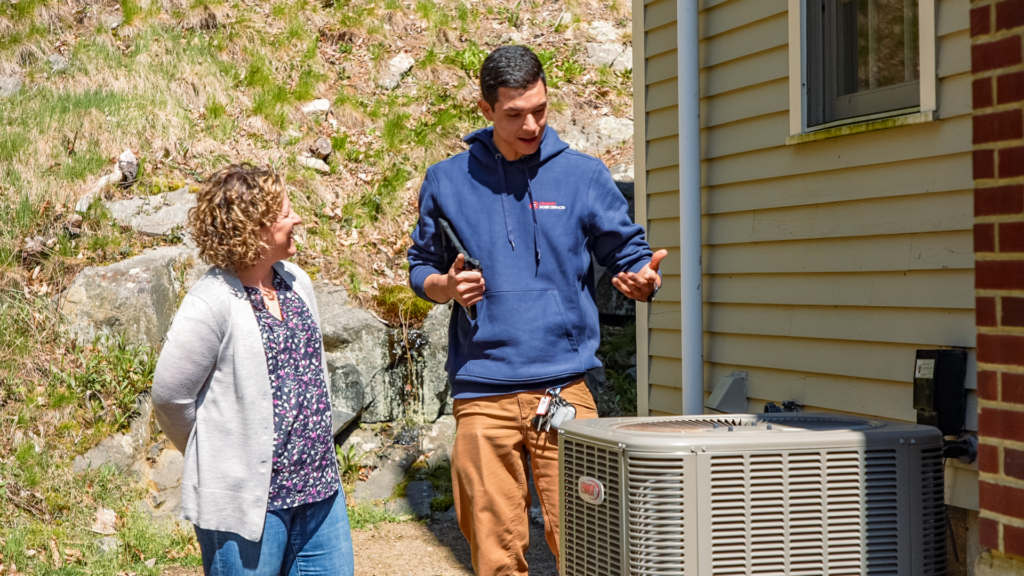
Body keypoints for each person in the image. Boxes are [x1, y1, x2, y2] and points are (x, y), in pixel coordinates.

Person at [407, 45, 666, 575]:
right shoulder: (447, 180)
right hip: (483, 390)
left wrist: (642, 280)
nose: (531, 124)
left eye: (540, 110)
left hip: (564, 389)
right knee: (495, 557)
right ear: (485, 109)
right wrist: (446, 287)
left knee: (593, 548)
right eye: (514, 114)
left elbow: (629, 254)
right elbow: (421, 270)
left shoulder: (583, 175)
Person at [152, 165, 354, 576]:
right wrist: (221, 453)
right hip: (248, 503)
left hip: (319, 493)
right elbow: (170, 399)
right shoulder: (212, 302)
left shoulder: (297, 282)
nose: (297, 218)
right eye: (285, 212)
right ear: (255, 228)